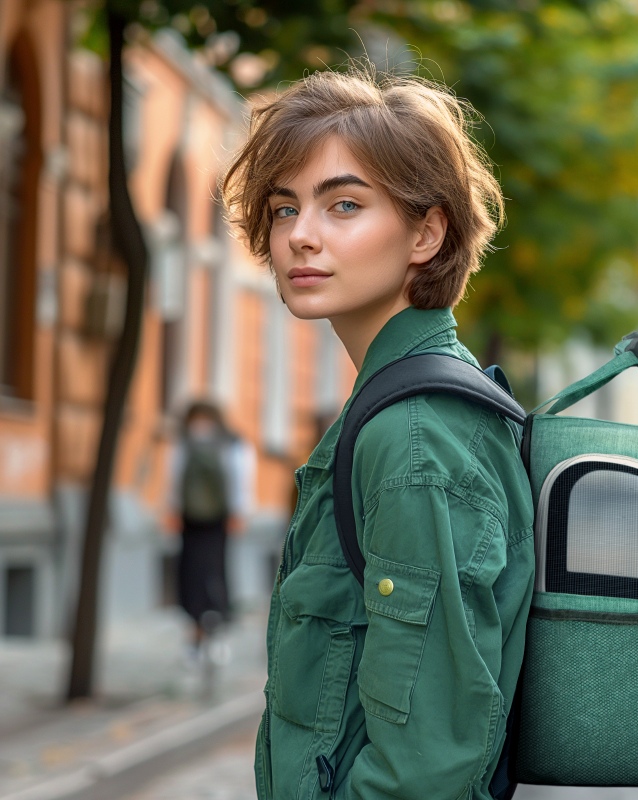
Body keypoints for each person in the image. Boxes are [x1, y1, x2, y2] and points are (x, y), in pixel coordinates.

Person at [222, 63, 535, 799]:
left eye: (344, 206)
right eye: (283, 208)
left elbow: (425, 766)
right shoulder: (391, 408)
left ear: (426, 231)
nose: (301, 236)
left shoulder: (414, 439)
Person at [165, 400, 254, 659]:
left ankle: (205, 633)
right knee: (212, 571)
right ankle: (210, 633)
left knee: (197, 573)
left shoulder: (184, 443)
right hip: (213, 518)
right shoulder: (232, 443)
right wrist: (240, 510)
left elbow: (173, 477)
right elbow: (241, 475)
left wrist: (172, 508)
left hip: (199, 518)